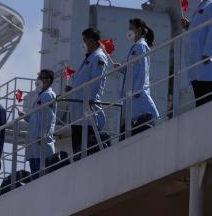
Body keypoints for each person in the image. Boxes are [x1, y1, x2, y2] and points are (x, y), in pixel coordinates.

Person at [67, 28, 111, 159]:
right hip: (78, 114)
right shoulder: (89, 58)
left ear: (91, 41)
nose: (83, 43)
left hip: (88, 112)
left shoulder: (98, 57)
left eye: (84, 40)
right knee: (77, 151)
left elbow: (96, 81)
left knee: (88, 151)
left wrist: (91, 100)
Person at [119, 18, 160, 135]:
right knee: (133, 119)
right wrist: (121, 68)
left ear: (139, 30)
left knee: (147, 113)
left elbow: (143, 68)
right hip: (132, 91)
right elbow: (133, 68)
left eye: (131, 28)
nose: (129, 31)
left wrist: (138, 89)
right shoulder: (136, 46)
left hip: (137, 91)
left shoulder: (141, 46)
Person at [26, 69, 56, 179]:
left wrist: (42, 134)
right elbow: (36, 118)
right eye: (38, 77)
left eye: (41, 77)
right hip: (34, 142)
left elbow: (49, 117)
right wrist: (25, 117)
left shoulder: (48, 95)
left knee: (42, 174)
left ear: (48, 80)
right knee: (35, 173)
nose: (38, 80)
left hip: (41, 141)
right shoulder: (41, 95)